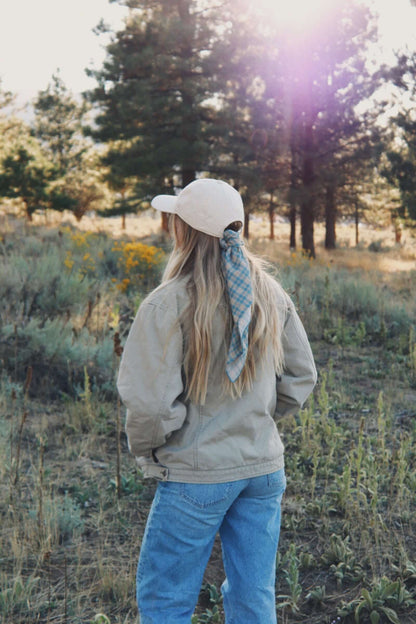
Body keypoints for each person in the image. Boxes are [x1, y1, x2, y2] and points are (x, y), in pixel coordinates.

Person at [117, 178, 317, 624]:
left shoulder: (168, 303)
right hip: (263, 470)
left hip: (196, 474)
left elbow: (150, 406)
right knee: (253, 598)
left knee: (167, 600)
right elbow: (302, 377)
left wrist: (153, 451)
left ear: (184, 232)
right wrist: (258, 419)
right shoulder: (271, 294)